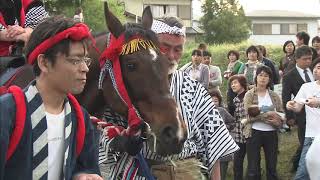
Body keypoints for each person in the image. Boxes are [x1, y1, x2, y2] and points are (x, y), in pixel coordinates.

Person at [100, 16, 239, 180]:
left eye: (178, 49)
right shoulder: (129, 85)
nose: (171, 56)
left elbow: (214, 143)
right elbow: (105, 131)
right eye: (164, 47)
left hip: (187, 171)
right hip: (139, 172)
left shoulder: (194, 89)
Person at [0, 17, 102, 180]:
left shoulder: (80, 118)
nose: (84, 69)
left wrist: (82, 175)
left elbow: (87, 166)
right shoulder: (7, 112)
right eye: (75, 60)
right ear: (44, 63)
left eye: (85, 60)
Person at [243, 66, 284, 180]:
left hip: (271, 133)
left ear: (269, 79)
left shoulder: (274, 95)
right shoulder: (249, 94)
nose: (263, 78)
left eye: (266, 76)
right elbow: (248, 114)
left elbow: (281, 114)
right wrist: (269, 114)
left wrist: (278, 120)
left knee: (272, 166)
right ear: (256, 77)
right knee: (253, 168)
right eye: (260, 75)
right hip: (254, 133)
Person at [286, 58, 320, 180]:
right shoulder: (306, 87)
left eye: (319, 68)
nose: (316, 70)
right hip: (311, 137)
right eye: (315, 67)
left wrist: (318, 103)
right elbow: (298, 107)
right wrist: (290, 105)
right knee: (303, 173)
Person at [282, 45, 314, 172]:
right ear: (297, 59)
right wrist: (289, 116)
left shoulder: (315, 70)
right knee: (305, 141)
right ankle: (297, 165)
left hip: (316, 112)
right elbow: (286, 97)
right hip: (301, 114)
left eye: (310, 59)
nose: (308, 61)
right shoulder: (289, 76)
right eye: (305, 59)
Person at [208, 90, 235, 180]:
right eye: (210, 100)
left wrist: (224, 127)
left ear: (219, 101)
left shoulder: (222, 111)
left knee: (221, 173)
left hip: (222, 146)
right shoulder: (203, 113)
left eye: (215, 100)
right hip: (209, 148)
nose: (213, 103)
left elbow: (232, 122)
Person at [229, 74, 248, 180]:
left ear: (242, 83)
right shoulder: (235, 100)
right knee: (237, 162)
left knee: (252, 162)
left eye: (235, 82)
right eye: (231, 84)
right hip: (238, 136)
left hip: (250, 134)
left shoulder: (249, 96)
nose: (233, 85)